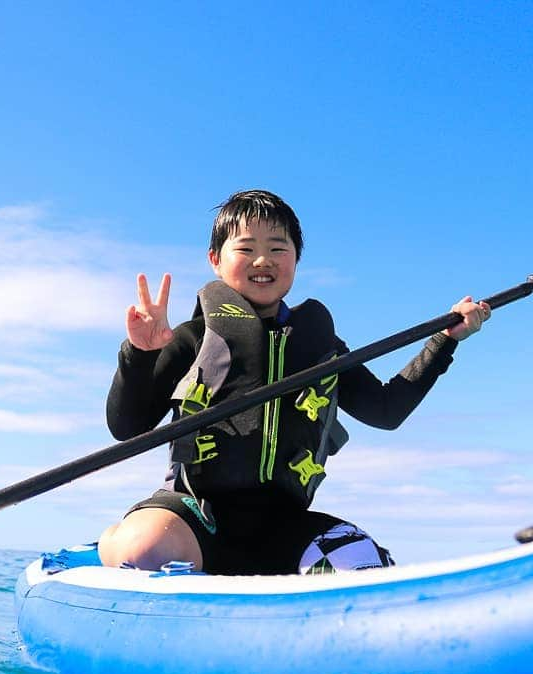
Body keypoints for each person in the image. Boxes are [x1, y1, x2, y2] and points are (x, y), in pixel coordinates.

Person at [97, 189, 490, 575]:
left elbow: (386, 411)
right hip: (197, 520)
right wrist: (141, 355)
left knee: (362, 563)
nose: (263, 259)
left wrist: (443, 343)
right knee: (144, 548)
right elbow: (126, 426)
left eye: (278, 248)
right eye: (246, 248)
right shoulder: (192, 338)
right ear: (215, 260)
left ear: (297, 259)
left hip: (282, 527)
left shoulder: (322, 349)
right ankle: (117, 539)